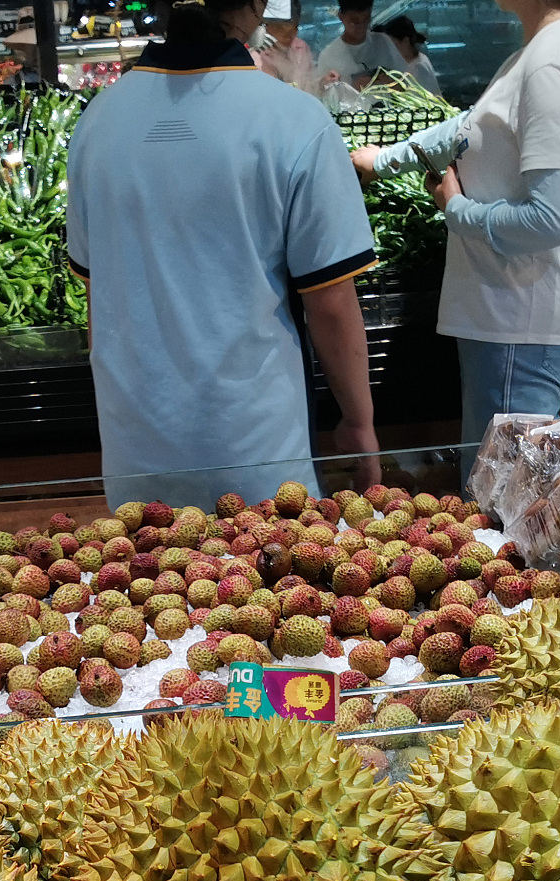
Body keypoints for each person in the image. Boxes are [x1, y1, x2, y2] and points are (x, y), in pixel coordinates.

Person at [67, 0, 380, 507]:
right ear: (258, 4)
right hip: (257, 453)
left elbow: (98, 300)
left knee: (147, 581)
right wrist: (359, 425)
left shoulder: (98, 122)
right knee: (263, 585)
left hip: (136, 455)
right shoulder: (296, 120)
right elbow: (331, 303)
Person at [351, 0, 560, 450]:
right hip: (507, 321)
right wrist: (385, 159)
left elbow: (550, 220)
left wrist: (455, 209)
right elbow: (473, 128)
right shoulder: (543, 49)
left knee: (499, 508)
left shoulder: (553, 60)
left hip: (518, 325)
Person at [317, 0, 407, 89]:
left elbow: (406, 81)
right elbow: (323, 95)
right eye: (354, 22)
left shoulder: (383, 42)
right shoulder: (329, 56)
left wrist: (385, 81)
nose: (361, 27)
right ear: (341, 16)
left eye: (366, 20)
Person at [253, 8, 320, 89]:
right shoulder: (258, 55)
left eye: (295, 28)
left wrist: (321, 84)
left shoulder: (301, 47)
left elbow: (309, 82)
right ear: (266, 26)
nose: (290, 36)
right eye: (282, 29)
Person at [373, 15, 441, 94]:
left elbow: (414, 96)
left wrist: (392, 85)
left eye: (392, 44)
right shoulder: (411, 62)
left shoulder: (419, 66)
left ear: (405, 41)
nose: (390, 48)